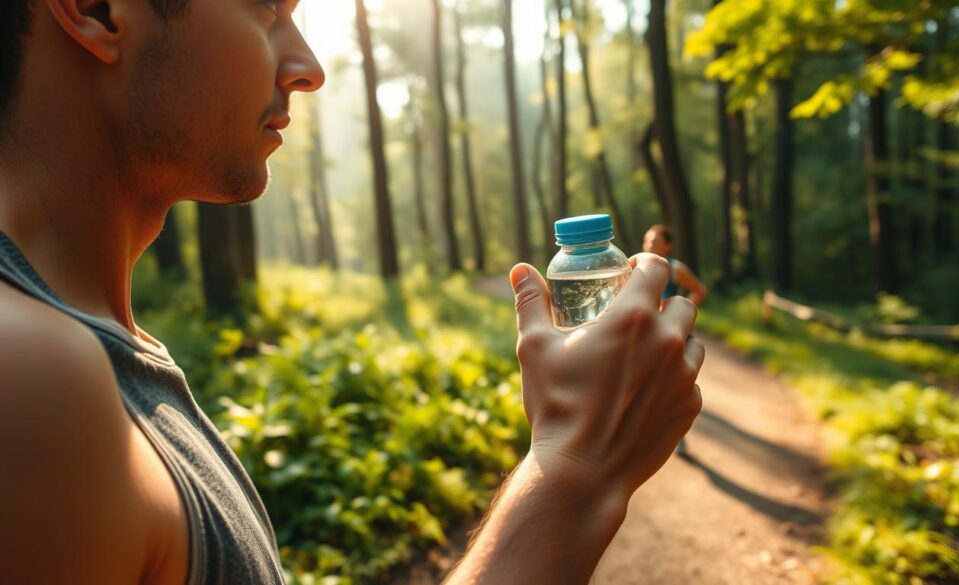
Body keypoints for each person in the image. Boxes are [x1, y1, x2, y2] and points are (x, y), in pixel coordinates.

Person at [0, 1, 704, 583]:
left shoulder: (92, 344)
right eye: (265, 8)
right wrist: (573, 474)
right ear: (95, 9)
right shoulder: (28, 373)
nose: (308, 68)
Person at [642, 224, 707, 457]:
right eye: (647, 241)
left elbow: (699, 290)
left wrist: (684, 309)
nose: (649, 245)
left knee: (672, 383)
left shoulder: (676, 269)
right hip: (646, 332)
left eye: (655, 241)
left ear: (667, 245)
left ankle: (678, 437)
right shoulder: (638, 267)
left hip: (671, 333)